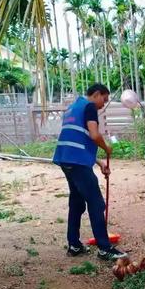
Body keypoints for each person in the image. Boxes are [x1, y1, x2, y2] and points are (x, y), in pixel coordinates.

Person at [53, 83, 127, 261]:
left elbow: (76, 139)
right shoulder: (89, 107)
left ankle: (74, 245)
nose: (103, 104)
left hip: (66, 158)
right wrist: (106, 148)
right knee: (96, 203)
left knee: (77, 202)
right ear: (96, 94)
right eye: (104, 99)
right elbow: (94, 135)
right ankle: (104, 248)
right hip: (77, 162)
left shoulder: (73, 108)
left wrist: (99, 162)